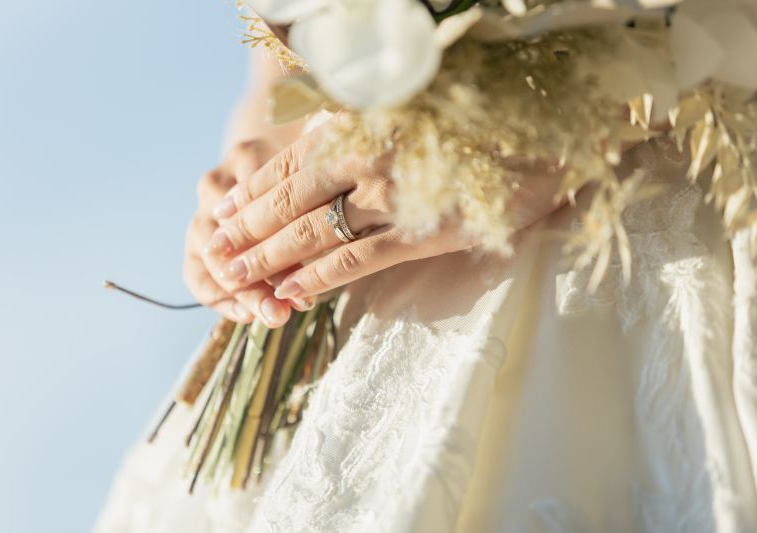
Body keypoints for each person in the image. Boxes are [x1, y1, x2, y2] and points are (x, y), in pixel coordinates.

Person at [95, 17, 757, 533]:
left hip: (679, 204)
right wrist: (264, 178)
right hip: (364, 271)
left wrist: (556, 121)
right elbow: (280, 50)